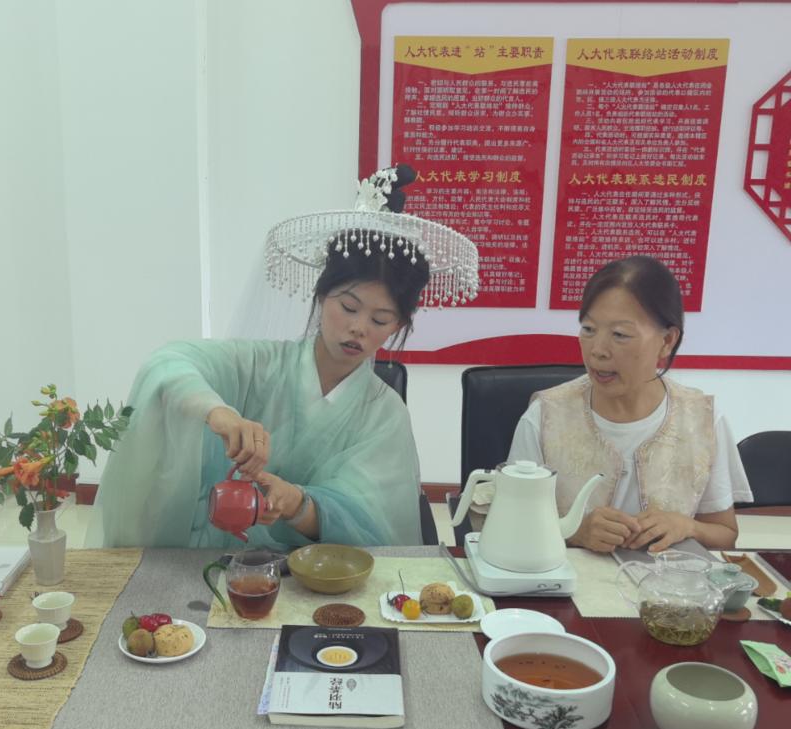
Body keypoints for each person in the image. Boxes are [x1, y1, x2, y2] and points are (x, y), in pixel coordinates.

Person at [87, 166, 479, 549]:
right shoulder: (259, 365)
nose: (359, 328)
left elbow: (373, 526)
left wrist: (298, 505)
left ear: (398, 325)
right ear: (321, 296)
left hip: (322, 574)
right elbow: (167, 364)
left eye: (380, 319)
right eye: (348, 307)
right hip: (223, 556)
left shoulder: (385, 415)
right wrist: (218, 412)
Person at [507, 256, 752, 554]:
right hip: (570, 582)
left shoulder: (703, 420)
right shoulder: (546, 415)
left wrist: (687, 526)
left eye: (620, 335)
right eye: (588, 329)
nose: (598, 350)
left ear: (667, 341)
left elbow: (725, 535)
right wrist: (574, 532)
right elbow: (510, 527)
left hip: (669, 584)